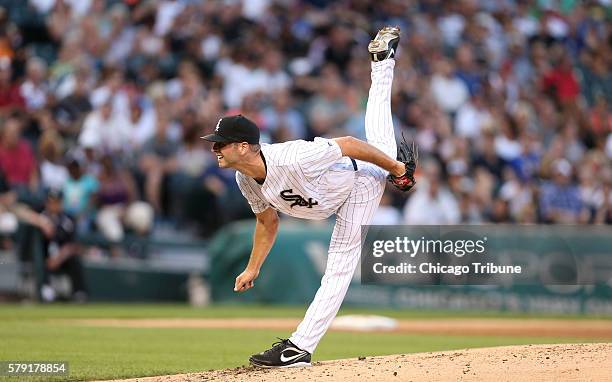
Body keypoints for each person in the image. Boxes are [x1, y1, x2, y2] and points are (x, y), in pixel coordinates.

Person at [202, 27, 415, 368]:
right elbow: (267, 221)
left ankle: (299, 347)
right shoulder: (246, 179)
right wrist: (252, 267)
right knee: (383, 144)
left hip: (358, 182)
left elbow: (348, 144)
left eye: (220, 143)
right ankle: (383, 63)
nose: (214, 149)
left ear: (243, 146)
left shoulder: (292, 156)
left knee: (339, 267)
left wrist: (395, 169)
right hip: (331, 197)